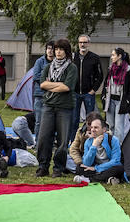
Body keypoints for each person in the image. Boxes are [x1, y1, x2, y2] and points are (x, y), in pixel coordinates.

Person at [35, 39, 79, 178]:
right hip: (48, 106)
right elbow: (42, 84)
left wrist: (51, 85)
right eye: (56, 49)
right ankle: (43, 166)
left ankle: (58, 168)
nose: (58, 52)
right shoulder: (48, 67)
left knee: (62, 140)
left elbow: (67, 87)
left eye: (61, 49)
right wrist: (57, 84)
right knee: (43, 138)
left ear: (66, 51)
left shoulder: (72, 68)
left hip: (65, 108)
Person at [69, 113, 124, 184]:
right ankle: (107, 178)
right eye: (91, 127)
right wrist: (94, 146)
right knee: (79, 168)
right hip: (94, 166)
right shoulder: (88, 141)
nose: (92, 130)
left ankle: (89, 179)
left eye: (96, 127)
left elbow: (115, 161)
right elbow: (86, 163)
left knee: (119, 168)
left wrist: (97, 168)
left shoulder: (113, 140)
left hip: (108, 167)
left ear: (104, 129)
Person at [103, 48, 130, 145]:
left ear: (119, 56)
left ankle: (118, 148)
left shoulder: (128, 71)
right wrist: (103, 97)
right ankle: (109, 146)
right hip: (110, 100)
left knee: (119, 127)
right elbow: (106, 84)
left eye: (113, 55)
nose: (111, 57)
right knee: (110, 125)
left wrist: (127, 101)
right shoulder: (111, 69)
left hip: (121, 102)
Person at [76, 35, 105, 120]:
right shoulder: (73, 57)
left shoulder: (95, 58)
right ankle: (74, 134)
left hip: (88, 94)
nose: (82, 44)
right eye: (80, 42)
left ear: (88, 44)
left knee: (90, 119)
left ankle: (89, 133)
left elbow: (100, 76)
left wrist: (93, 91)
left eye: (85, 42)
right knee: (74, 119)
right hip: (75, 93)